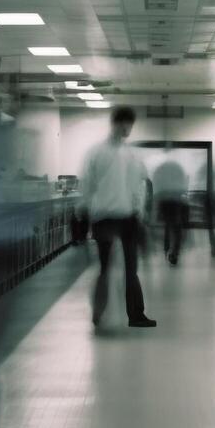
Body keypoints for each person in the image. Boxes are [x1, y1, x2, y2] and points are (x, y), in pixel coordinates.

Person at [80, 106, 156, 328]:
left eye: (130, 124)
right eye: (123, 123)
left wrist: (141, 212)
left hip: (129, 217)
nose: (127, 128)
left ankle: (136, 315)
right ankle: (97, 313)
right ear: (114, 123)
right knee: (104, 268)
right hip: (103, 216)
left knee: (132, 269)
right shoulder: (96, 153)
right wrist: (84, 212)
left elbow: (142, 184)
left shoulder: (132, 154)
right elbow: (87, 185)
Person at [151, 157, 188, 264]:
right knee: (176, 226)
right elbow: (182, 185)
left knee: (168, 225)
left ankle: (168, 249)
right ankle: (173, 251)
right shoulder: (177, 169)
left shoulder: (161, 170)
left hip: (165, 200)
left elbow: (157, 183)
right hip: (175, 200)